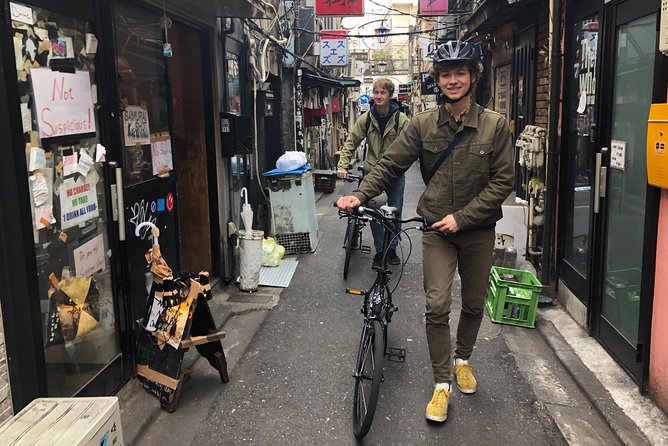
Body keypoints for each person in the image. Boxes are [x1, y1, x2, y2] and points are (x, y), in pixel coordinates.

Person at [336, 40, 514, 423]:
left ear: (474, 77)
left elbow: (503, 183)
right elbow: (389, 165)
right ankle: (441, 384)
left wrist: (464, 217)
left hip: (478, 230)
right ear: (438, 80)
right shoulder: (421, 125)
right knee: (436, 305)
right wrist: (359, 194)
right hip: (436, 228)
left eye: (460, 73)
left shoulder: (495, 125)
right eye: (446, 74)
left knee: (474, 302)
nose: (452, 80)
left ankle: (463, 359)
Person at [337, 78, 410, 267]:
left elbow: (409, 147)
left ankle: (391, 248)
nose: (378, 96)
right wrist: (342, 166)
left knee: (394, 211)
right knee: (374, 213)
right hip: (372, 174)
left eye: (382, 93)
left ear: (390, 95)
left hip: (394, 174)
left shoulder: (401, 120)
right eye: (375, 92)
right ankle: (380, 250)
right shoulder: (366, 119)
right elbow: (351, 142)